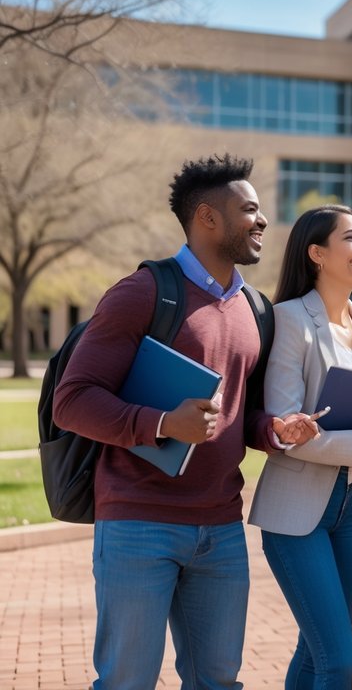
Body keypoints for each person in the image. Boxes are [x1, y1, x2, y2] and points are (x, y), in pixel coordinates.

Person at [53, 153, 319, 689]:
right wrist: (162, 423)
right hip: (137, 524)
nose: (263, 220)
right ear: (207, 218)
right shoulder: (144, 292)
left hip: (220, 528)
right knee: (128, 681)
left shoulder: (257, 309)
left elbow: (242, 415)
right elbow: (73, 400)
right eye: (250, 209)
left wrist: (274, 430)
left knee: (218, 682)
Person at [247, 204, 352, 689]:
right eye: (351, 238)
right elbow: (288, 432)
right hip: (298, 512)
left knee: (316, 654)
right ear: (316, 253)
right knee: (336, 660)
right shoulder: (290, 320)